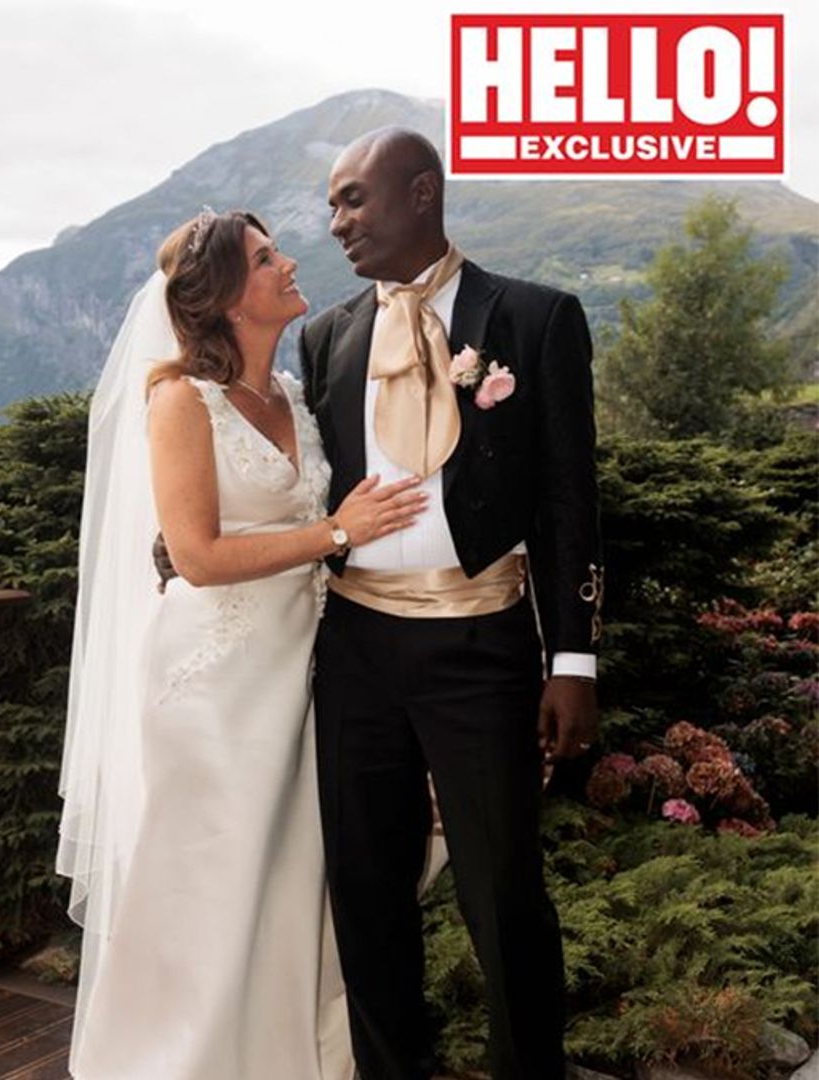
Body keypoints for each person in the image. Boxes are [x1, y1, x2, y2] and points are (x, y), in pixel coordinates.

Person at [58, 209, 426, 1077]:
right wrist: (335, 533)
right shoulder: (180, 399)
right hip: (214, 681)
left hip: (300, 671)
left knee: (291, 879)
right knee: (213, 883)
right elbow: (195, 555)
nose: (290, 262)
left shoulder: (292, 393)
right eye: (266, 259)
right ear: (226, 297)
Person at [302, 127, 601, 1079]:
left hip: (482, 642)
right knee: (365, 890)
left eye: (354, 198)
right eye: (334, 203)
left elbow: (568, 503)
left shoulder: (537, 318)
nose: (337, 219)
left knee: (504, 893)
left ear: (421, 193)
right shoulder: (326, 336)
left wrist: (574, 661)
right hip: (353, 647)